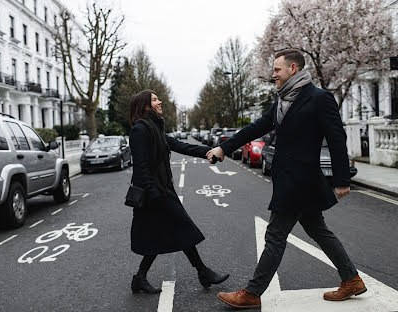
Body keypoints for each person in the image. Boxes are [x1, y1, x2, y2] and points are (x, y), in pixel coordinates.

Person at [207, 49, 366, 308]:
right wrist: (225, 148)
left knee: (275, 235)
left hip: (299, 181)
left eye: (277, 70)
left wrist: (342, 178)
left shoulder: (319, 98)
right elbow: (256, 127)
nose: (273, 75)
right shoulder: (283, 101)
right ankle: (351, 280)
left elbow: (337, 139)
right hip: (292, 179)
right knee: (318, 230)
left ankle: (252, 293)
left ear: (293, 69)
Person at [128, 90, 229, 294]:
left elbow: (180, 145)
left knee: (162, 234)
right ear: (145, 106)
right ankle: (203, 272)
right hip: (154, 194)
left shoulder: (154, 128)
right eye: (155, 99)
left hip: (162, 190)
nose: (160, 101)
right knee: (182, 227)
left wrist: (208, 152)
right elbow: (141, 167)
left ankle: (140, 277)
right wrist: (155, 194)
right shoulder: (140, 129)